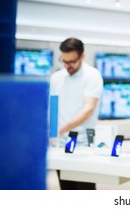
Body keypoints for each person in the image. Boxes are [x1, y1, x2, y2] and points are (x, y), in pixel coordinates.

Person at [50, 37, 103, 190]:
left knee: (85, 190)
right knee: (67, 189)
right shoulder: (56, 78)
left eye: (72, 62)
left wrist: (62, 129)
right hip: (61, 144)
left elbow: (88, 110)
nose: (68, 66)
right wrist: (53, 134)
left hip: (84, 144)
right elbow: (53, 107)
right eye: (64, 61)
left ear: (82, 56)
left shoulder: (92, 75)